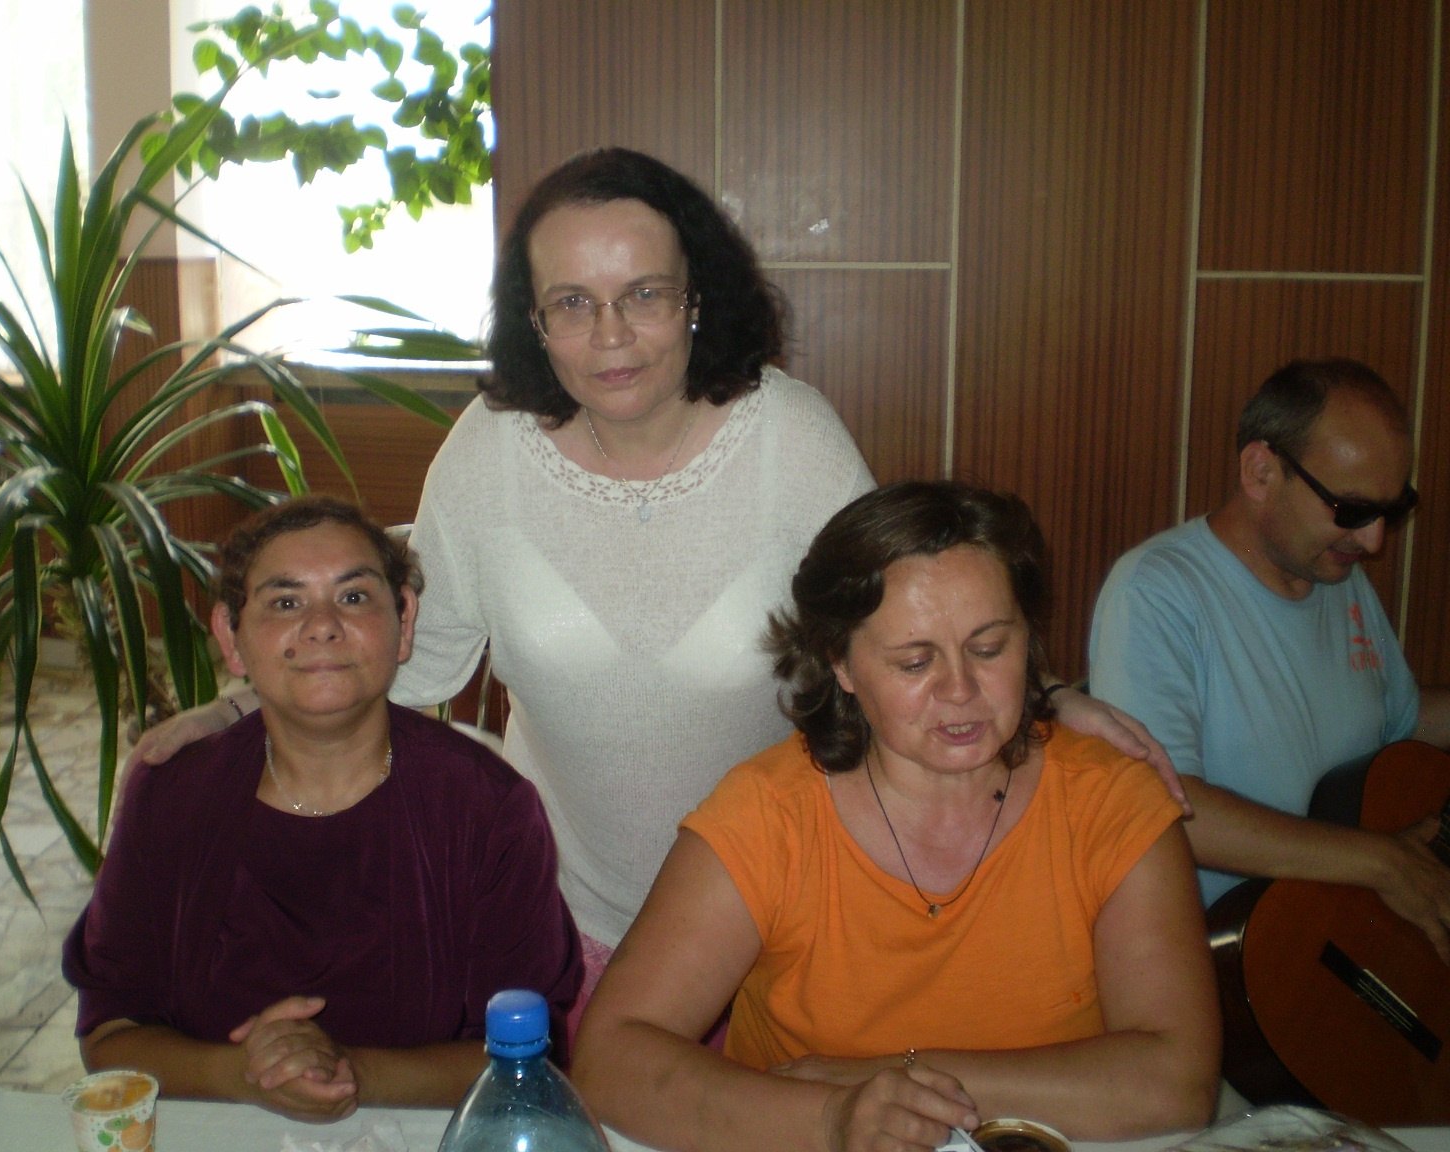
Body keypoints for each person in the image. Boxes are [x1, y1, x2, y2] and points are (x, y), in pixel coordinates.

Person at [129, 148, 1177, 1000]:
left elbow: (905, 618)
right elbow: (407, 661)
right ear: (534, 321)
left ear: (697, 300)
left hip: (776, 917)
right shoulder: (489, 450)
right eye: (571, 303)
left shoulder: (790, 437)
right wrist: (235, 714)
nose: (611, 335)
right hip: (551, 917)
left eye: (643, 294)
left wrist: (1047, 700)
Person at [573, 481, 1219, 1152]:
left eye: (989, 649)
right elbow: (608, 1060)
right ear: (841, 664)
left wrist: (894, 1078)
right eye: (915, 662)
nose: (960, 690)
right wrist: (834, 1118)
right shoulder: (770, 816)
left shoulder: (1110, 801)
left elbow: (1178, 1082)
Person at [63, 497, 582, 1121]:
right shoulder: (173, 797)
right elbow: (111, 1034)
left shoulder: (486, 809)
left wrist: (351, 1072)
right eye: (285, 602)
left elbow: (530, 1056)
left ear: (405, 622)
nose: (323, 625)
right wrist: (244, 1074)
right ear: (231, 636)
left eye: (354, 597)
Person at [1089, 358, 1450, 962]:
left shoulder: (1338, 576)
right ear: (1261, 472)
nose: (1373, 541)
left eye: (1393, 510)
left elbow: (1400, 718)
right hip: (1225, 964)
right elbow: (1164, 812)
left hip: (1334, 942)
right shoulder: (1156, 592)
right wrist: (1382, 863)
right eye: (1351, 510)